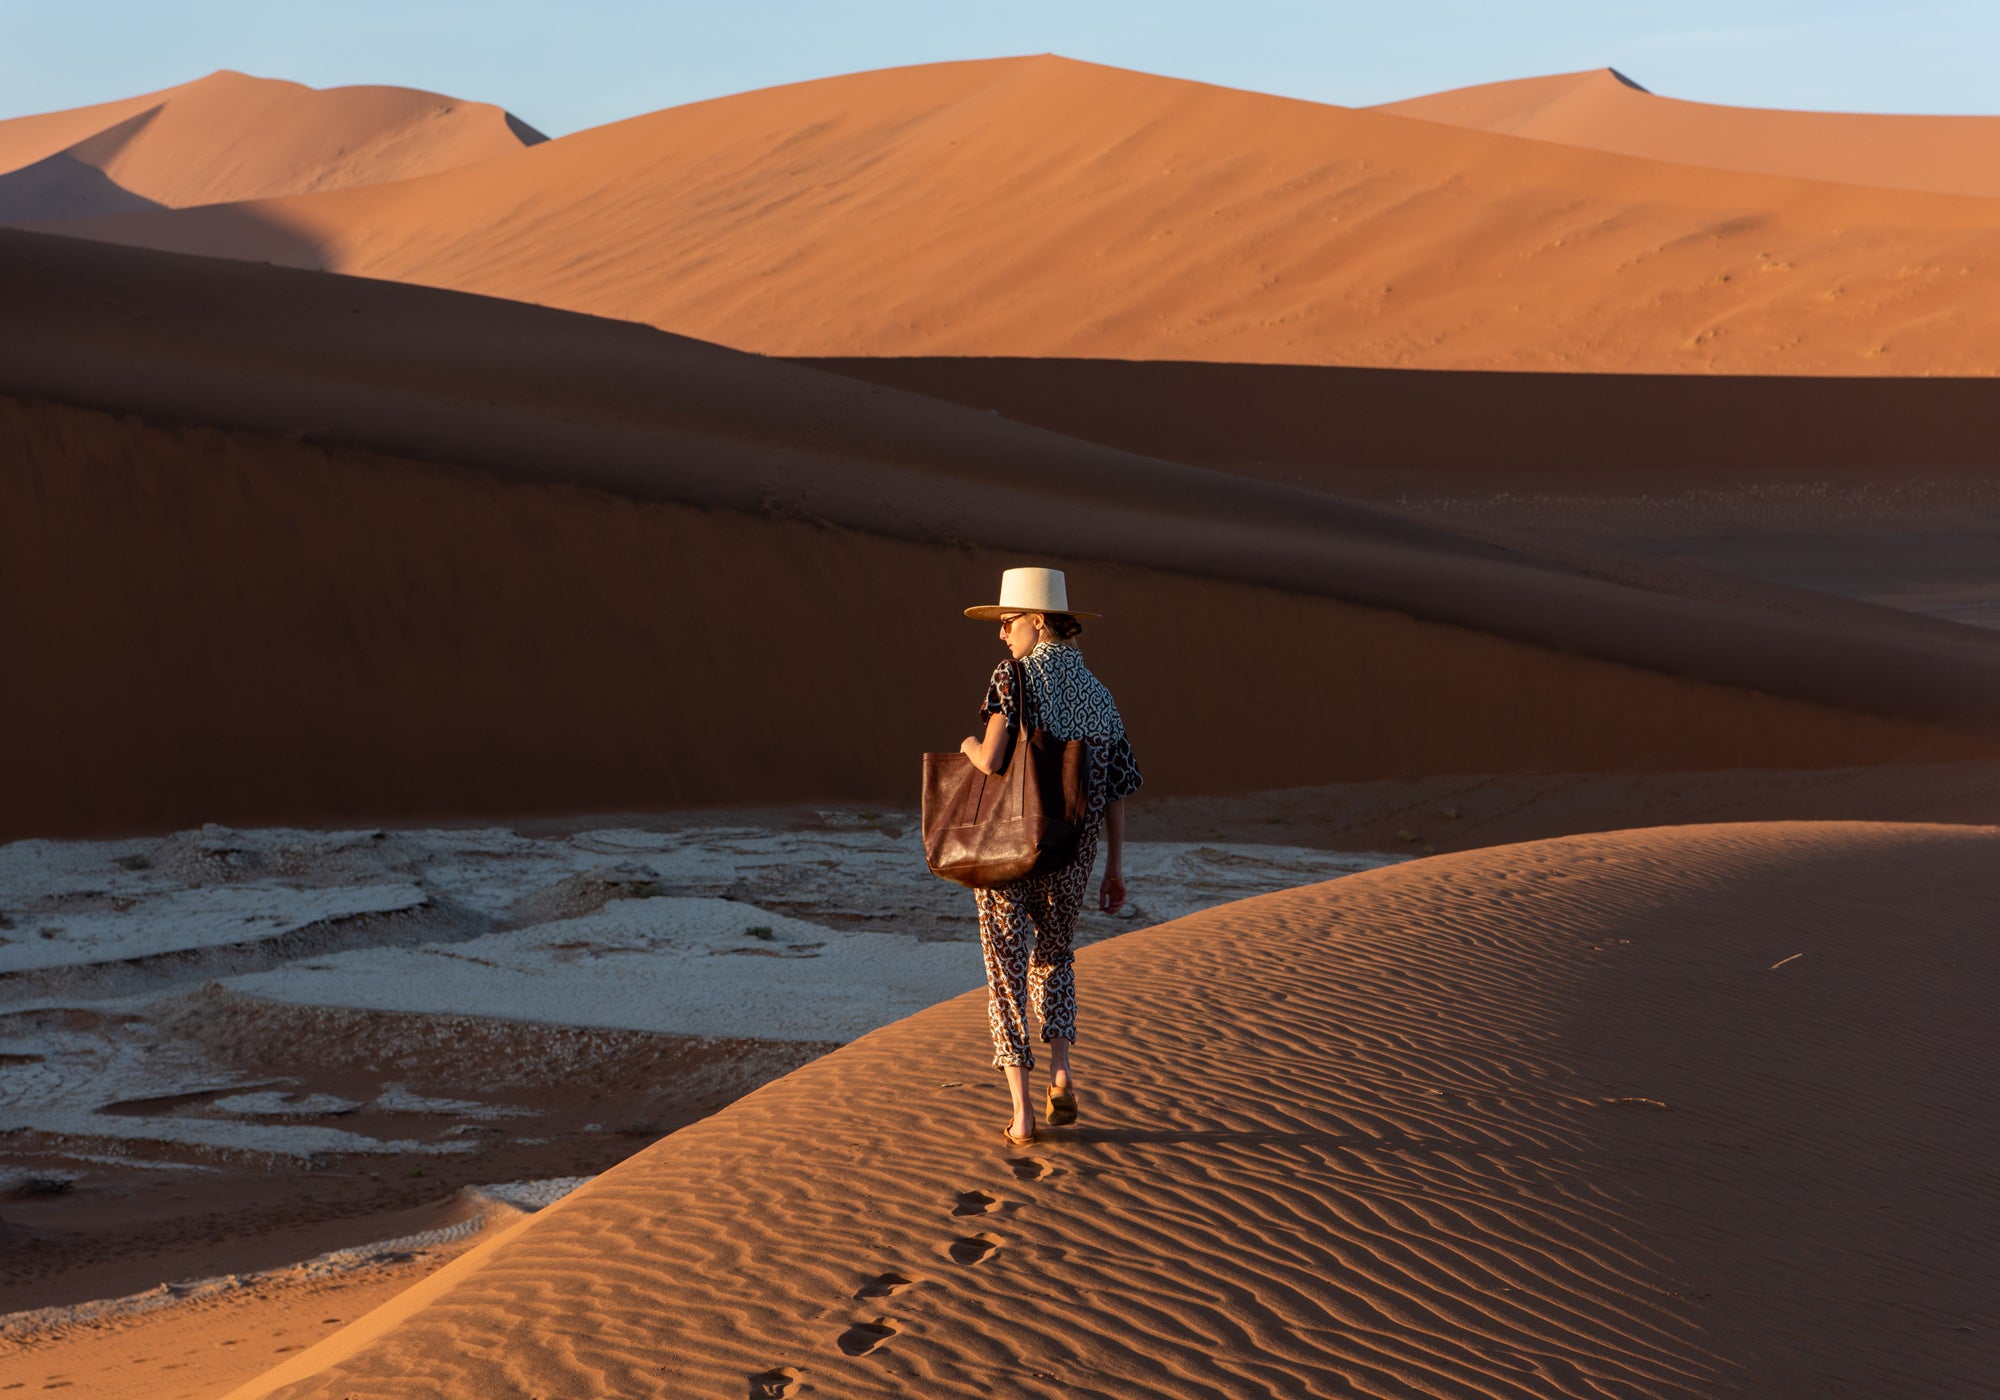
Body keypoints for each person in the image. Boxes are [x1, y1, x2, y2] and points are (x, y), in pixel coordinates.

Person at [958, 567, 1143, 1147]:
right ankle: (1060, 1071)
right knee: (1055, 956)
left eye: (1009, 622)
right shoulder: (1100, 694)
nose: (1002, 634)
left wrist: (964, 745)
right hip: (1077, 846)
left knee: (1004, 970)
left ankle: (1022, 1115)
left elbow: (990, 761)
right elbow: (1114, 786)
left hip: (1014, 842)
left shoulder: (1012, 678)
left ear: (1038, 622)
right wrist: (1113, 867)